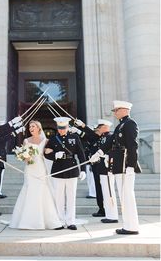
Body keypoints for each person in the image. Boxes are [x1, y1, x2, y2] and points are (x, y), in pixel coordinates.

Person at [89, 100, 140, 235]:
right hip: (118, 164)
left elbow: (133, 146)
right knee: (124, 196)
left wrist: (131, 166)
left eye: (117, 110)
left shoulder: (130, 124)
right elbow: (110, 143)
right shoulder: (120, 126)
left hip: (125, 164)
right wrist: (98, 153)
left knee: (127, 195)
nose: (115, 112)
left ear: (124, 110)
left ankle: (132, 226)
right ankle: (128, 225)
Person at [9, 120, 63, 230]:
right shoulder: (26, 141)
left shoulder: (45, 140)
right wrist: (25, 157)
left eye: (33, 126)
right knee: (30, 191)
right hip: (30, 169)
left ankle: (49, 221)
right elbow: (23, 156)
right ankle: (27, 221)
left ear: (39, 128)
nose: (31, 128)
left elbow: (48, 154)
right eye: (30, 127)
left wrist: (52, 152)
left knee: (42, 192)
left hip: (40, 168)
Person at [44, 117, 86, 230]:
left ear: (68, 127)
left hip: (72, 169)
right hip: (58, 170)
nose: (61, 130)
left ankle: (71, 221)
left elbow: (81, 155)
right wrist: (55, 155)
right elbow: (46, 153)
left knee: (71, 197)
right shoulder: (53, 139)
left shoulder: (74, 137)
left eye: (63, 128)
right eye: (59, 128)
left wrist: (83, 170)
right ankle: (60, 221)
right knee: (59, 198)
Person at [74, 119, 118, 223]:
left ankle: (109, 211)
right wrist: (80, 129)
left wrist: (83, 126)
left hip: (105, 167)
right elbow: (90, 136)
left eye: (99, 127)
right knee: (99, 188)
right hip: (97, 166)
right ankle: (102, 209)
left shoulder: (108, 136)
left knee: (106, 190)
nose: (97, 129)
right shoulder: (100, 137)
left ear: (105, 127)